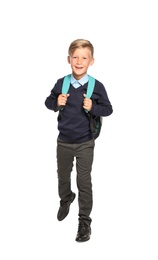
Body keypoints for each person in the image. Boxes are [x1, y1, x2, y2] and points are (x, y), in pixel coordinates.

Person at [45, 39, 113, 242]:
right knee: (63, 177)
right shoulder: (61, 83)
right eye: (75, 57)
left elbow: (108, 109)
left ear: (91, 61)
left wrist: (93, 107)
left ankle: (84, 221)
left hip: (85, 142)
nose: (79, 61)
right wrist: (56, 103)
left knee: (84, 181)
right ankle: (66, 198)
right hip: (63, 141)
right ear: (69, 59)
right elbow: (48, 102)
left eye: (84, 57)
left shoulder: (96, 86)